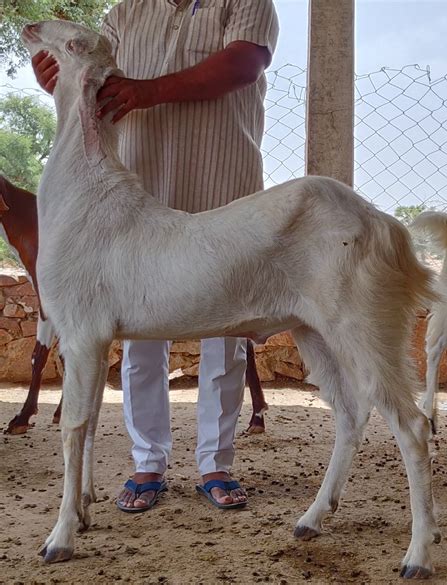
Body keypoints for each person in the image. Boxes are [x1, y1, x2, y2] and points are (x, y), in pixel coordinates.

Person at [32, 0, 279, 512]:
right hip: (139, 190)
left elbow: (245, 63)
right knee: (140, 341)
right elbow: (95, 83)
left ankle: (215, 462)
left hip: (222, 187)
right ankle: (148, 462)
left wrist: (150, 90)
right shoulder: (125, 13)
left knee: (225, 335)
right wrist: (56, 76)